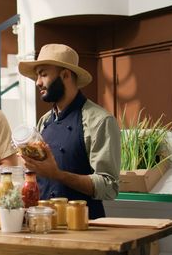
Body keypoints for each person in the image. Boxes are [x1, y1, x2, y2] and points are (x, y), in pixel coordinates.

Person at [17, 44, 120, 219]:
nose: (38, 82)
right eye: (37, 76)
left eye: (43, 74)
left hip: (85, 228)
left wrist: (58, 175)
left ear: (65, 75)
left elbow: (109, 187)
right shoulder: (44, 121)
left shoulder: (99, 121)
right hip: (45, 225)